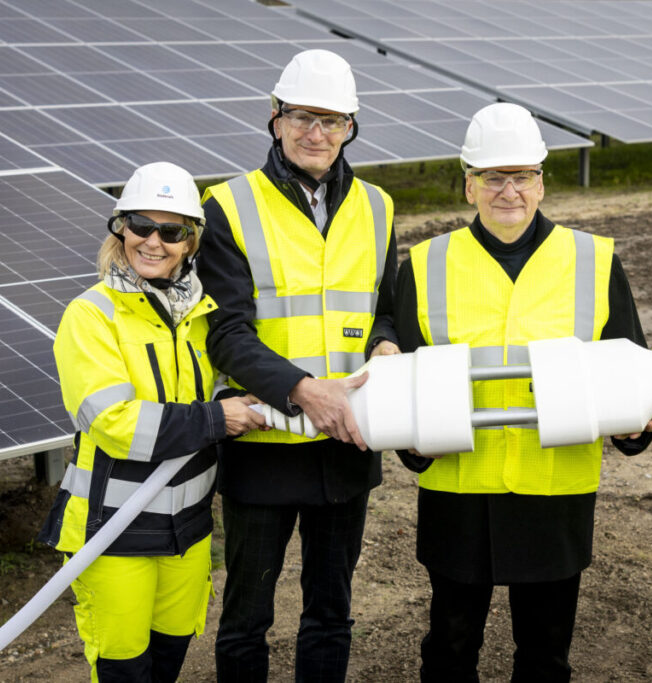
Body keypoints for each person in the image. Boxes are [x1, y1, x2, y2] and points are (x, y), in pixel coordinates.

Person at [394, 102, 652, 683]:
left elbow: (630, 371)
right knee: (449, 648)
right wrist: (412, 448)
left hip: (554, 489)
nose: (507, 191)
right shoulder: (424, 265)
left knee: (544, 655)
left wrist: (638, 428)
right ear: (470, 186)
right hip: (458, 492)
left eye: (521, 177)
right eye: (493, 177)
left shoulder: (595, 261)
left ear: (542, 184)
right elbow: (403, 381)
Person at [195, 48, 398, 682]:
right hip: (265, 444)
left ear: (350, 128)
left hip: (347, 445)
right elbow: (226, 333)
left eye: (333, 121)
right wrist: (303, 391)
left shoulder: (378, 207)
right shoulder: (225, 205)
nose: (317, 133)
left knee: (331, 615)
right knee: (246, 619)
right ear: (276, 118)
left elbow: (385, 310)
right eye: (304, 117)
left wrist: (388, 344)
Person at [38, 161, 269, 682]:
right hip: (113, 533)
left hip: (186, 533)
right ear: (120, 228)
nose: (154, 241)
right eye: (142, 225)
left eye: (172, 231)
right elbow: (116, 422)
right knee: (125, 672)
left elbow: (202, 394)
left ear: (191, 242)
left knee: (166, 663)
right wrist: (218, 418)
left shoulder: (199, 314)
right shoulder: (92, 315)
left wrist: (239, 399)